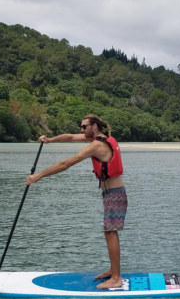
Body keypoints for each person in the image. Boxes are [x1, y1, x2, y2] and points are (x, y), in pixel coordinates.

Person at [26, 114, 128, 289]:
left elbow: (66, 163)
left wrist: (39, 175)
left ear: (94, 126)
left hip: (114, 194)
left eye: (84, 127)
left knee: (111, 232)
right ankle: (113, 270)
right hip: (111, 193)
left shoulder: (97, 145)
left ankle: (116, 279)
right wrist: (49, 140)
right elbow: (70, 137)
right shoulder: (100, 138)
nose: (81, 130)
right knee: (108, 232)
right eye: (81, 127)